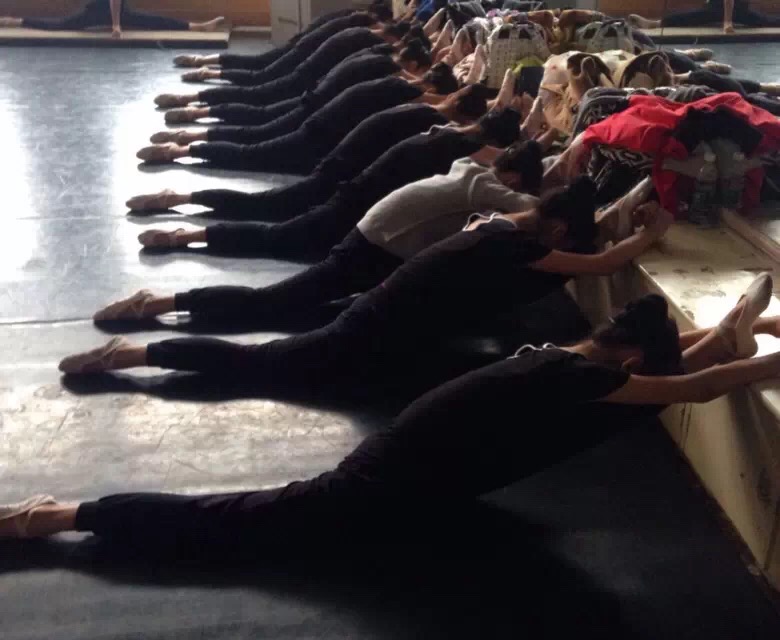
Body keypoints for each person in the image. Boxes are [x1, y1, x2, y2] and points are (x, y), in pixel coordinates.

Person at [7, 282, 780, 550]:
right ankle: (61, 516)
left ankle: (132, 375)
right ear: (634, 358)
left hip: (419, 457)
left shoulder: (574, 353)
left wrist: (739, 331)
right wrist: (758, 357)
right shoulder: (586, 382)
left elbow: (670, 369)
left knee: (268, 353)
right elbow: (696, 389)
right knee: (243, 520)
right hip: (390, 481)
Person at [62, 178, 673, 385]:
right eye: (570, 236)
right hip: (377, 320)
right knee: (263, 361)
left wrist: (626, 207)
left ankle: (152, 325)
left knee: (274, 315)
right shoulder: (520, 248)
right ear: (558, 229)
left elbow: (581, 239)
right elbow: (601, 265)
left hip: (386, 303)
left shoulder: (502, 221)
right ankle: (134, 354)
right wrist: (653, 230)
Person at [98, 142, 544, 325]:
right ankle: (160, 302)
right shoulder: (485, 186)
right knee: (275, 301)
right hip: (372, 247)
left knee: (276, 247)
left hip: (372, 232)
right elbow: (535, 210)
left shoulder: (467, 166)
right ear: (513, 178)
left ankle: (181, 232)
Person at [128, 106, 524, 242]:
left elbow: (488, 139)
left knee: (263, 195)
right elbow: (500, 161)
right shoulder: (461, 153)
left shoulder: (443, 130)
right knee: (274, 229)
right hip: (344, 196)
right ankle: (181, 226)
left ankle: (181, 175)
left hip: (342, 175)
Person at [136, 74, 475, 171]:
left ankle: (190, 121)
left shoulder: (395, 74)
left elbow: (443, 92)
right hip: (318, 133)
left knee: (256, 116)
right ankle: (182, 146)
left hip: (316, 107)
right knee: (254, 149)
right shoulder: (419, 108)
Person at [162, 42, 437, 127]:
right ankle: (192, 111)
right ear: (414, 65)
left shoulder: (376, 43)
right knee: (258, 115)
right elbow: (433, 94)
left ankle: (198, 87)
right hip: (311, 98)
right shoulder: (393, 74)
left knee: (256, 81)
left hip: (310, 82)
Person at [154, 23, 411, 109]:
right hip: (302, 73)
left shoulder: (361, 25)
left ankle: (204, 70)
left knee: (256, 74)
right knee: (257, 93)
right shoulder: (372, 45)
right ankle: (193, 96)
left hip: (300, 54)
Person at [172, 3, 394, 71]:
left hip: (302, 43)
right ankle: (204, 67)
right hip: (303, 51)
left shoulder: (353, 16)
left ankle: (202, 62)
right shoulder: (362, 30)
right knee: (260, 72)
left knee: (260, 66)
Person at [0, 0, 224, 38]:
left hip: (118, 10)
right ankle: (14, 21)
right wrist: (116, 25)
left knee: (154, 21)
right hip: (98, 11)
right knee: (60, 25)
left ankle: (199, 27)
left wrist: (118, 23)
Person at [629, 0, 780, 35]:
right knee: (697, 15)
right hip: (716, 6)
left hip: (737, 7)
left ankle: (655, 24)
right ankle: (655, 23)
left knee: (764, 20)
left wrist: (727, 22)